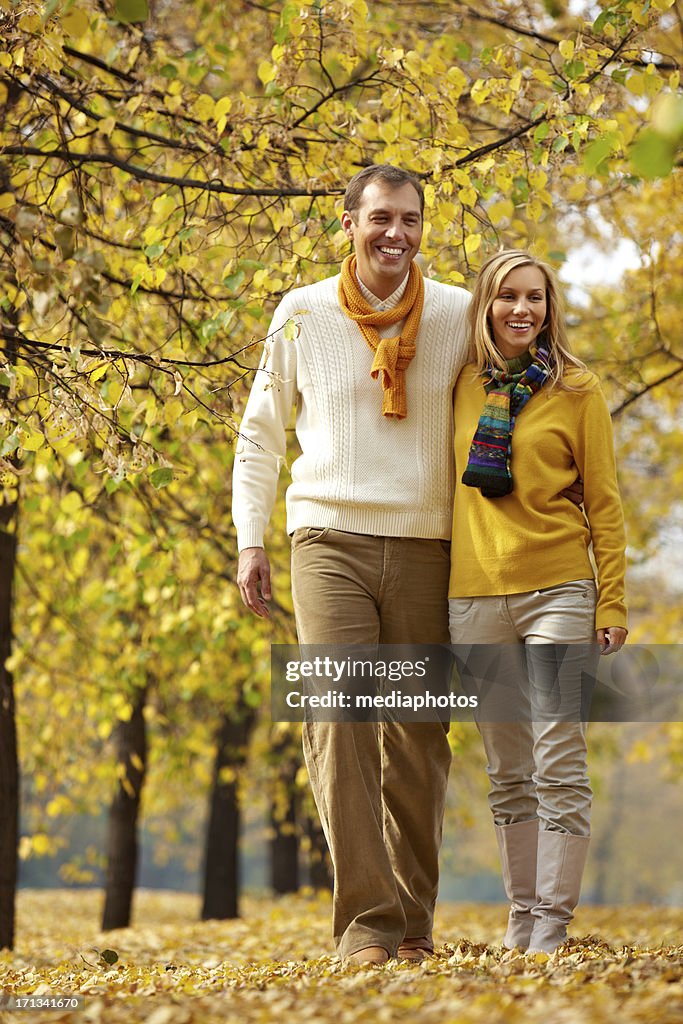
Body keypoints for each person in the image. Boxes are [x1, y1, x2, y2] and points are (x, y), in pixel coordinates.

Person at [233, 165, 471, 964]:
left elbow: (517, 393)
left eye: (408, 220)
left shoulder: (456, 314)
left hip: (428, 546)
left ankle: (413, 924)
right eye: (379, 219)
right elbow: (260, 435)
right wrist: (250, 538)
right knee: (338, 721)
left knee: (417, 738)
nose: (394, 234)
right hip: (326, 539)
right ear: (347, 224)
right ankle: (366, 925)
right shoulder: (300, 312)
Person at [448, 249, 628, 954]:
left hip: (558, 587)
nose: (522, 310)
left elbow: (604, 503)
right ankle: (519, 920)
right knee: (507, 771)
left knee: (558, 759)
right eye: (506, 297)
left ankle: (550, 929)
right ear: (485, 307)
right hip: (474, 595)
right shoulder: (458, 383)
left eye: (535, 298)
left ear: (549, 309)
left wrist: (610, 600)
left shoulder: (576, 390)